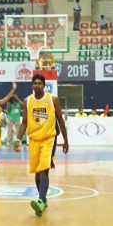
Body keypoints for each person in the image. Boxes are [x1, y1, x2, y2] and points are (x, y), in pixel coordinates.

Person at [17, 73, 69, 217]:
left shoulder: (53, 100)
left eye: (40, 83)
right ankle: (44, 200)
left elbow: (61, 121)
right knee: (37, 172)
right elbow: (24, 122)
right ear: (32, 85)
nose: (37, 86)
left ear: (44, 85)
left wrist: (65, 140)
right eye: (35, 83)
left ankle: (40, 200)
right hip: (33, 140)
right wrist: (17, 139)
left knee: (44, 170)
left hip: (49, 139)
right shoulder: (27, 101)